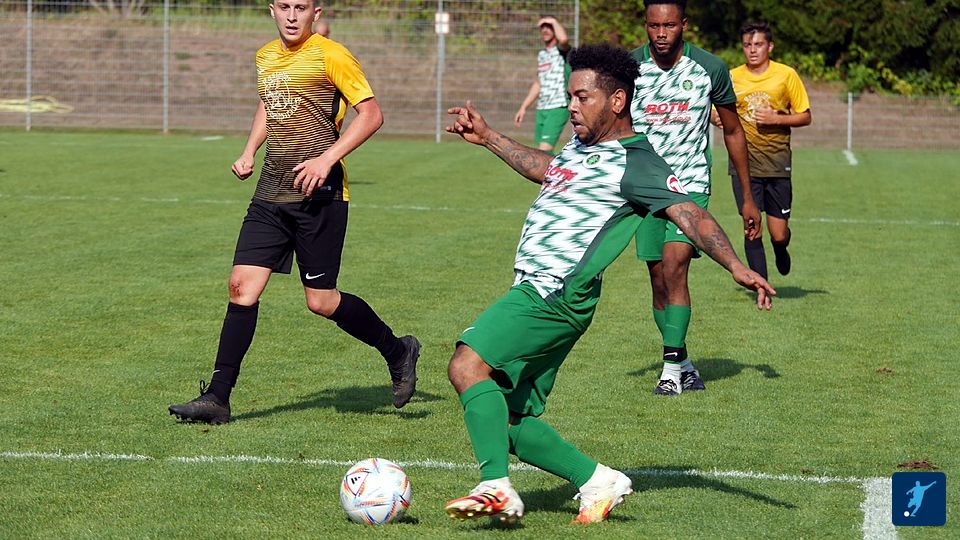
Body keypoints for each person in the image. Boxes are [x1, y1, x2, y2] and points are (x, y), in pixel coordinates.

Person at [443, 44, 774, 525]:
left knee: (466, 365)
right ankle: (597, 480)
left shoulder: (637, 162)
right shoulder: (582, 147)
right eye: (570, 97)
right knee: (506, 418)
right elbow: (549, 170)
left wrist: (735, 265)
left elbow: (690, 214)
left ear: (617, 101)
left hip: (553, 292)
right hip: (545, 291)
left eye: (582, 97)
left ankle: (496, 487)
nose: (571, 107)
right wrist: (490, 137)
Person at [168, 0, 419, 425]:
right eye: (283, 6)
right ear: (271, 10)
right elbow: (270, 104)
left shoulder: (331, 55)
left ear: (315, 13)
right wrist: (249, 150)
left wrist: (326, 159)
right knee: (241, 288)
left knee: (321, 301)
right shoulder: (265, 56)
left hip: (319, 196)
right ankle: (217, 398)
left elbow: (372, 115)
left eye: (300, 7)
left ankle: (398, 351)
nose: (291, 16)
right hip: (270, 193)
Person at [629, 0, 761, 396]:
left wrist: (747, 197)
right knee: (657, 280)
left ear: (684, 24)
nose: (661, 34)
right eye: (654, 26)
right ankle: (683, 362)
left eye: (669, 25)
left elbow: (733, 131)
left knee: (675, 267)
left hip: (690, 183)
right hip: (644, 188)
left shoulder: (710, 68)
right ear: (646, 25)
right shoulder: (629, 68)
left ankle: (670, 371)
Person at [715, 22, 812, 279]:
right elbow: (716, 111)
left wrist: (776, 118)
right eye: (747, 45)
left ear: (770, 47)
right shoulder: (732, 77)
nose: (752, 50)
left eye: (758, 44)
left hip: (777, 162)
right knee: (751, 226)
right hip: (743, 164)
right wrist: (716, 117)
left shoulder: (786, 75)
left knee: (778, 234)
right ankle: (762, 287)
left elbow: (805, 116)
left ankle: (781, 248)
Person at [513, 16, 571, 152]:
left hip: (558, 105)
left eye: (549, 27)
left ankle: (563, 166)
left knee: (544, 150)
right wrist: (523, 107)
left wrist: (553, 21)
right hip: (542, 107)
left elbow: (564, 39)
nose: (545, 30)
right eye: (543, 27)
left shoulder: (562, 51)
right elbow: (539, 83)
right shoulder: (542, 54)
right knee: (541, 152)